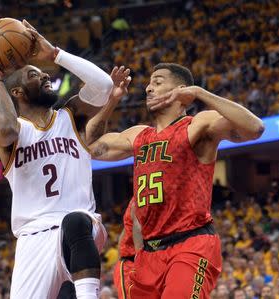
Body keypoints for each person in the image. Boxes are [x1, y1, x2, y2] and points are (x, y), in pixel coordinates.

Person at [0, 19, 130, 299]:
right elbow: (8, 130)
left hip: (80, 228)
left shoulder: (69, 115)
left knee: (74, 221)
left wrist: (54, 54)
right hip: (33, 240)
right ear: (18, 92)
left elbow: (104, 85)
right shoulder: (12, 129)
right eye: (35, 75)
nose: (46, 76)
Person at [87, 63, 264, 298]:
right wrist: (111, 100)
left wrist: (199, 92)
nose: (149, 88)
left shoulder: (197, 125)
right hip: (149, 251)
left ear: (181, 89)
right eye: (149, 83)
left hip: (191, 243)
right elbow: (88, 145)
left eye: (158, 82)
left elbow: (255, 128)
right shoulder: (139, 135)